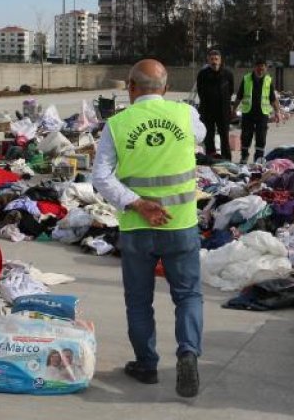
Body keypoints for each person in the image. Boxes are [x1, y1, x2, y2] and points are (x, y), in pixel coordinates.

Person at [92, 59, 205, 398]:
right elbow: (198, 139)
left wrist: (137, 202)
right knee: (188, 295)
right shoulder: (187, 116)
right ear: (166, 89)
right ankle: (187, 352)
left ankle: (147, 365)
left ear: (130, 87)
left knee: (139, 301)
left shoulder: (117, 124)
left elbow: (100, 177)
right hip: (181, 224)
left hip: (137, 226)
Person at [233, 59, 281, 164]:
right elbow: (239, 96)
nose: (260, 70)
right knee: (246, 136)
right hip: (248, 113)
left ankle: (258, 160)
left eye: (262, 67)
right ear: (255, 67)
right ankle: (244, 156)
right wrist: (233, 109)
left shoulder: (268, 80)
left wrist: (277, 112)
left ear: (265, 68)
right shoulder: (246, 79)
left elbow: (272, 98)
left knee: (261, 138)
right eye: (258, 67)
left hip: (262, 114)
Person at [195, 49, 235, 162]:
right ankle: (210, 158)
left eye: (216, 59)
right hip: (207, 110)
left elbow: (231, 90)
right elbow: (200, 90)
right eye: (212, 59)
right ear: (208, 60)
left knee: (224, 136)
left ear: (220, 60)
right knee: (209, 136)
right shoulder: (203, 74)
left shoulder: (228, 74)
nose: (214, 62)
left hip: (223, 110)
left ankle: (227, 159)